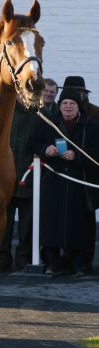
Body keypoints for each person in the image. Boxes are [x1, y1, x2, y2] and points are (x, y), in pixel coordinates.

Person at [34, 88, 99, 276]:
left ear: (78, 107)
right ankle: (52, 262)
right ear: (59, 106)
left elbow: (96, 153)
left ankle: (76, 263)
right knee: (52, 224)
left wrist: (77, 156)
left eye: (72, 104)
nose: (68, 107)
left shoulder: (91, 127)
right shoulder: (48, 124)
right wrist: (46, 150)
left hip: (80, 183)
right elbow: (35, 143)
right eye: (64, 103)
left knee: (79, 226)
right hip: (54, 181)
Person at [60, 76, 99, 272]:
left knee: (87, 219)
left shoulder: (95, 114)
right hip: (64, 174)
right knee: (65, 217)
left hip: (88, 174)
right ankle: (67, 257)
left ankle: (86, 259)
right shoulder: (57, 113)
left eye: (78, 91)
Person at [0, 95, 39, 272]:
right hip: (5, 178)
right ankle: (1, 258)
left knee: (27, 224)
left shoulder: (40, 114)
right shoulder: (4, 113)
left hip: (29, 177)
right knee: (3, 224)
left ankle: (23, 259)